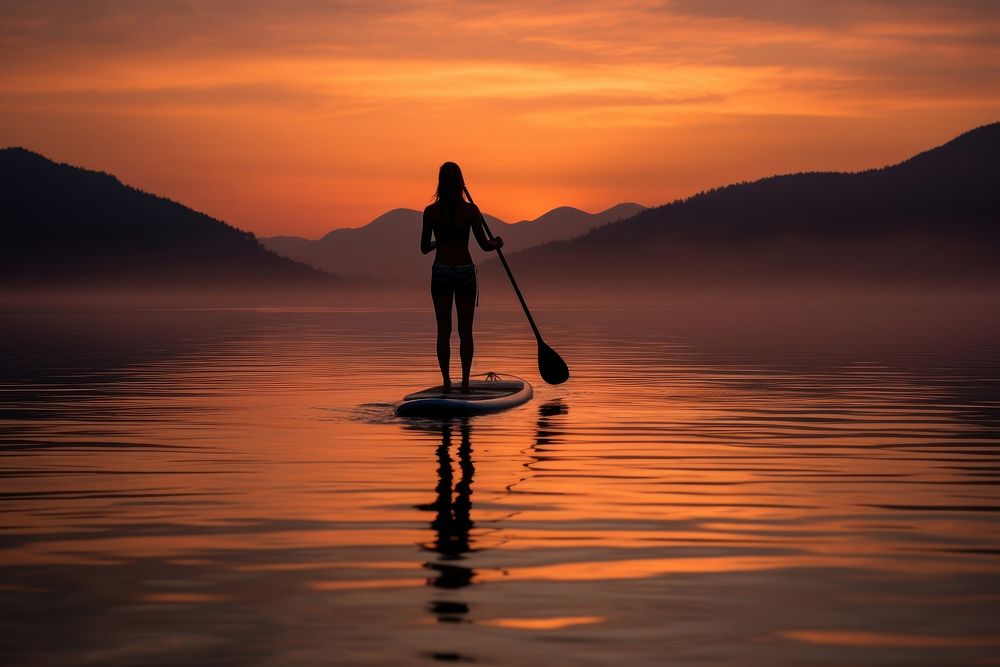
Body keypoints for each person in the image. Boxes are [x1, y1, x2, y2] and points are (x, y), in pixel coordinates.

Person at [421, 162, 503, 393]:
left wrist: (442, 243)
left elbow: (424, 247)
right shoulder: (470, 211)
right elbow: (485, 245)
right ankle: (465, 384)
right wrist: (497, 242)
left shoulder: (431, 212)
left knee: (443, 330)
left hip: (442, 272)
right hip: (465, 271)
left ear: (440, 182)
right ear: (460, 183)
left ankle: (447, 382)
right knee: (465, 331)